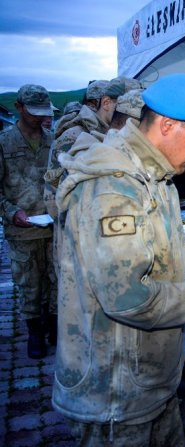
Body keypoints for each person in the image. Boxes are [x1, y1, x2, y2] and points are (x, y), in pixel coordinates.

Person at [51, 73, 185, 446]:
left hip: (150, 383)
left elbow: (170, 249)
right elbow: (130, 299)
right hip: (117, 396)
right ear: (168, 125)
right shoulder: (114, 189)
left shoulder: (155, 177)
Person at [0, 84, 57, 359]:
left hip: (53, 228)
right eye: (32, 112)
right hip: (22, 232)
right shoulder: (4, 143)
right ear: (19, 107)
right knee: (30, 284)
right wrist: (12, 213)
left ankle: (53, 326)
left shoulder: (54, 140)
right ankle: (34, 333)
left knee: (56, 280)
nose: (38, 118)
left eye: (42, 112)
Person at [44, 79, 126, 218]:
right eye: (122, 105)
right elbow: (54, 196)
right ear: (104, 103)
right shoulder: (73, 136)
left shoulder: (113, 134)